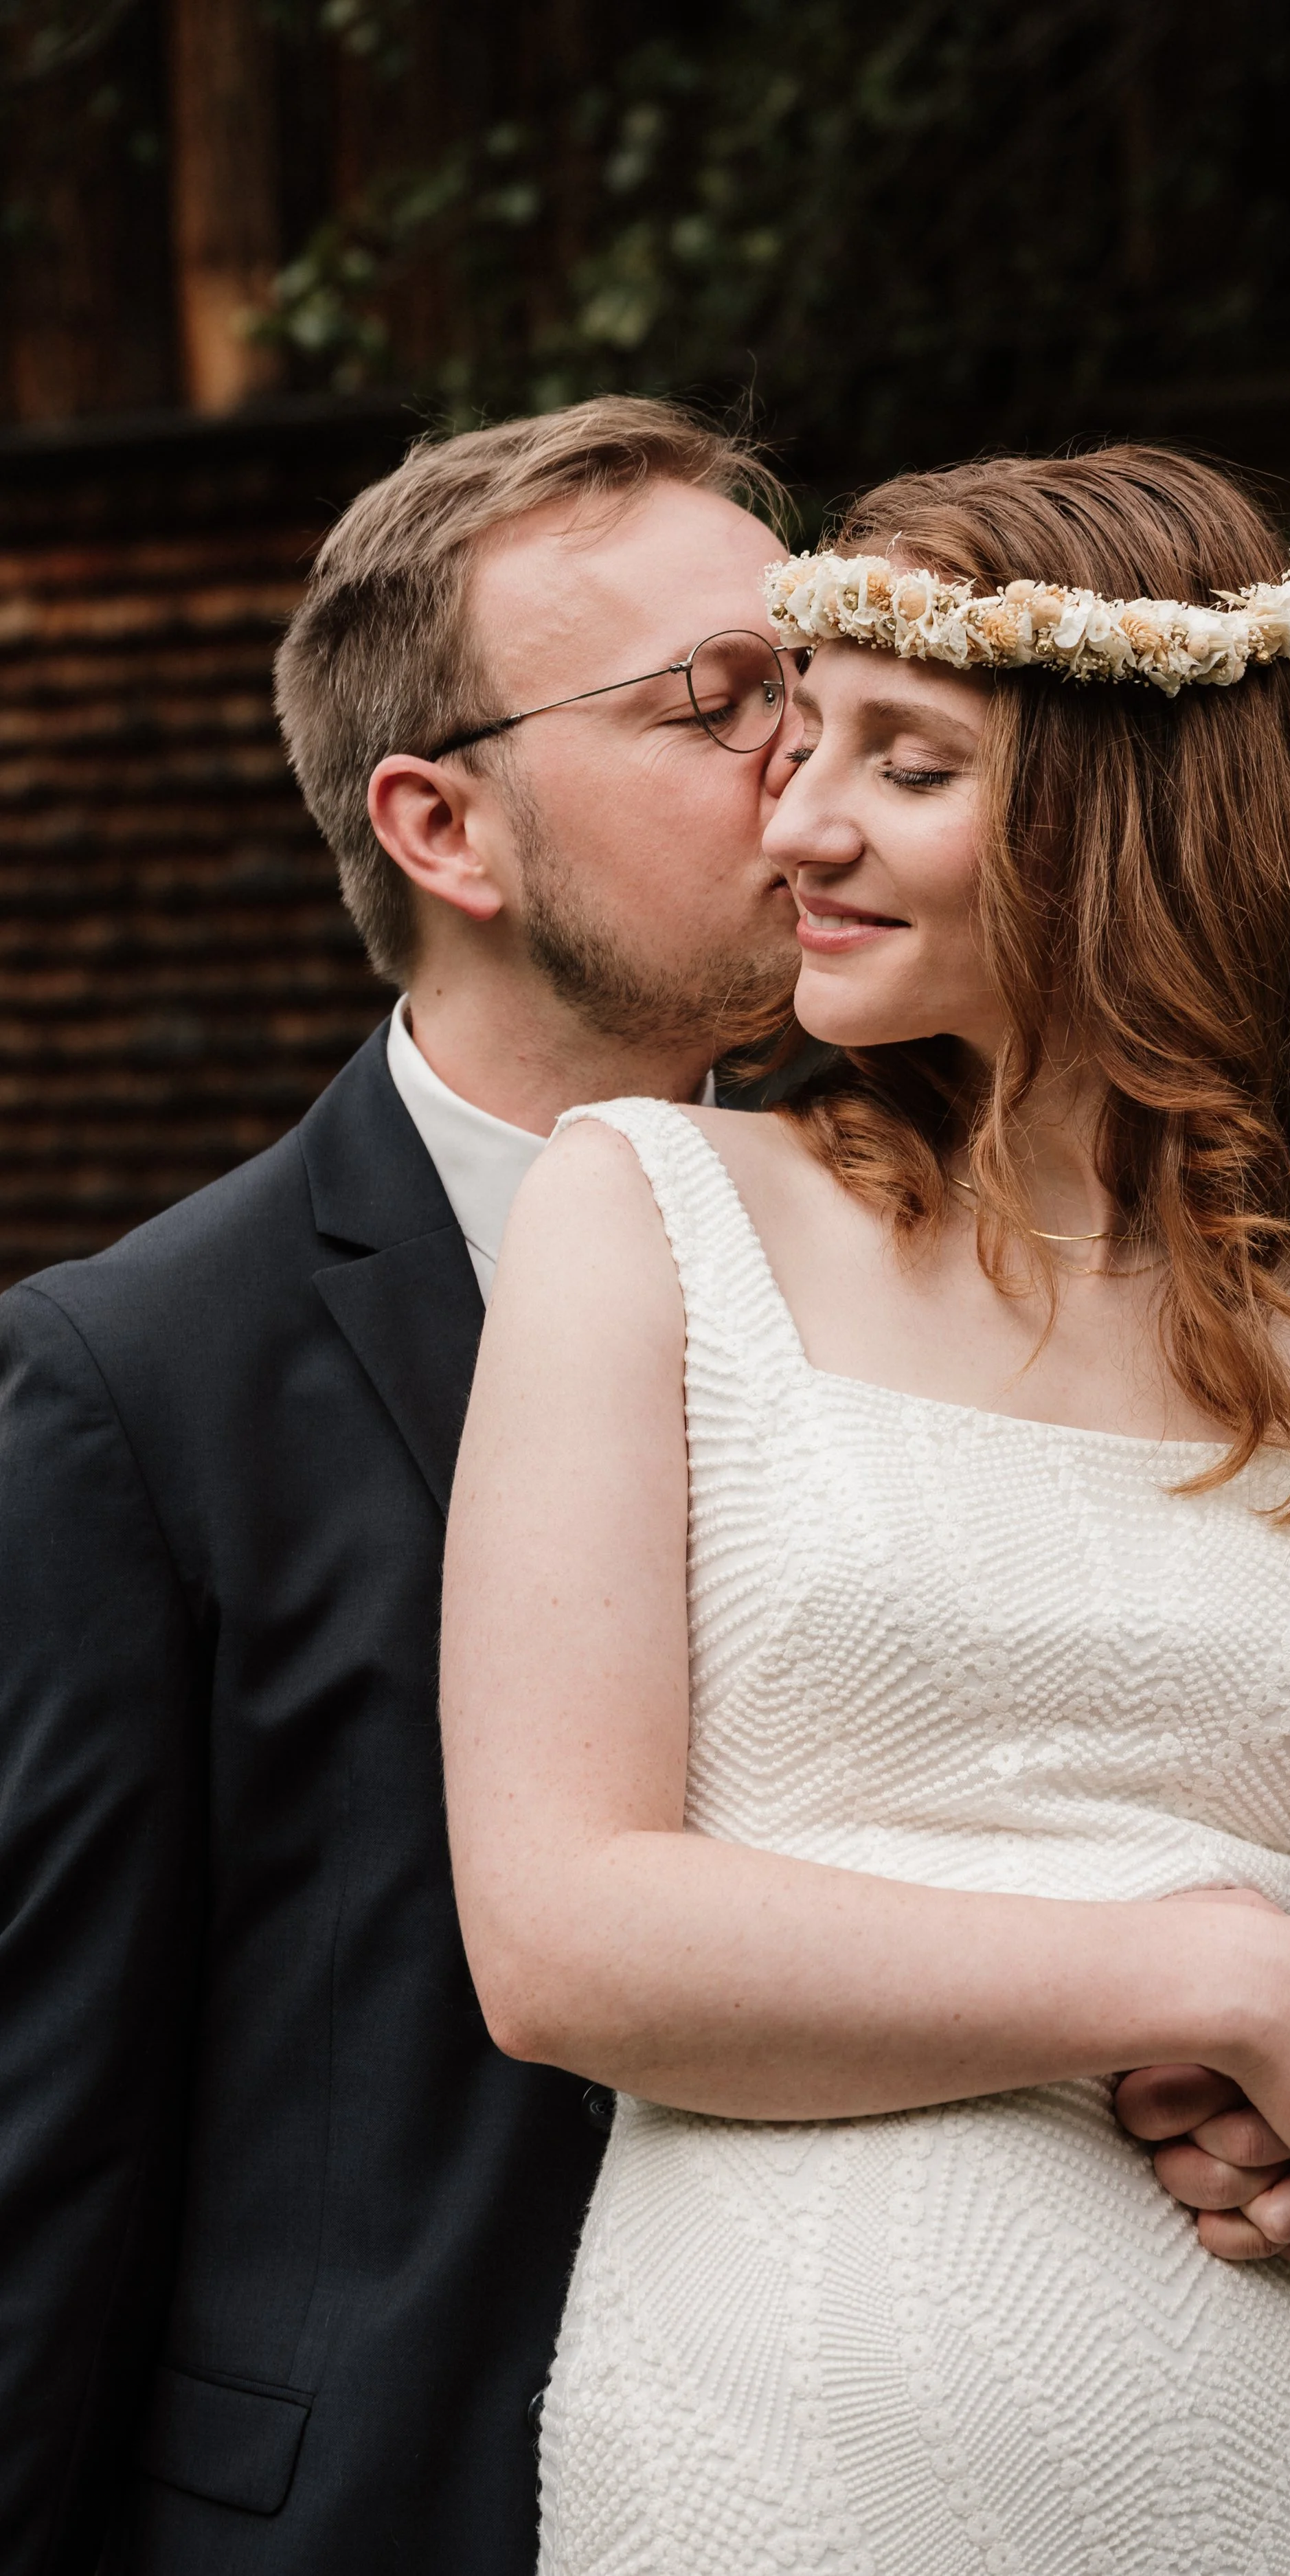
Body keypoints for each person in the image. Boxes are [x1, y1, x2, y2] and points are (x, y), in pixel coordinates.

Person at [442, 445, 1290, 2575]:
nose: (797, 823)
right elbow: (562, 1936)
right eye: (793, 743)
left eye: (905, 760)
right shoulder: (655, 1219)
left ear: (1140, 817)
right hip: (796, 2440)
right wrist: (1219, 1986)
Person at [0, 398, 805, 2575]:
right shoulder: (133, 1379)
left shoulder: (947, 1268)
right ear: (444, 824)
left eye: (817, 680)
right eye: (712, 701)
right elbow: (51, 2128)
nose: (804, 759)